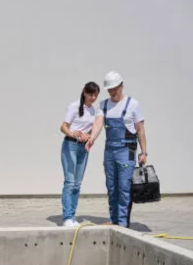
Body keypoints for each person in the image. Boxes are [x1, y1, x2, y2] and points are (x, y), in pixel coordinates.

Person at [86, 71, 147, 227]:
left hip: (128, 149)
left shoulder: (133, 104)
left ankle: (122, 223)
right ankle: (114, 220)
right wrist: (92, 138)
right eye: (110, 89)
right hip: (110, 150)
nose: (112, 92)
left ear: (121, 86)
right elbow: (98, 123)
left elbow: (140, 130)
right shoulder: (104, 105)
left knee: (124, 187)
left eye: (115, 88)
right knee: (112, 187)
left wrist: (144, 152)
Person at [60, 82, 100, 227]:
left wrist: (88, 136)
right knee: (69, 182)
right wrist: (72, 133)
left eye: (95, 95)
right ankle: (67, 217)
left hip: (83, 148)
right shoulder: (74, 106)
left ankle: (72, 215)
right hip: (70, 145)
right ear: (84, 92)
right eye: (91, 94)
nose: (93, 97)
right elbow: (63, 127)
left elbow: (91, 129)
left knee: (77, 184)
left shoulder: (92, 110)